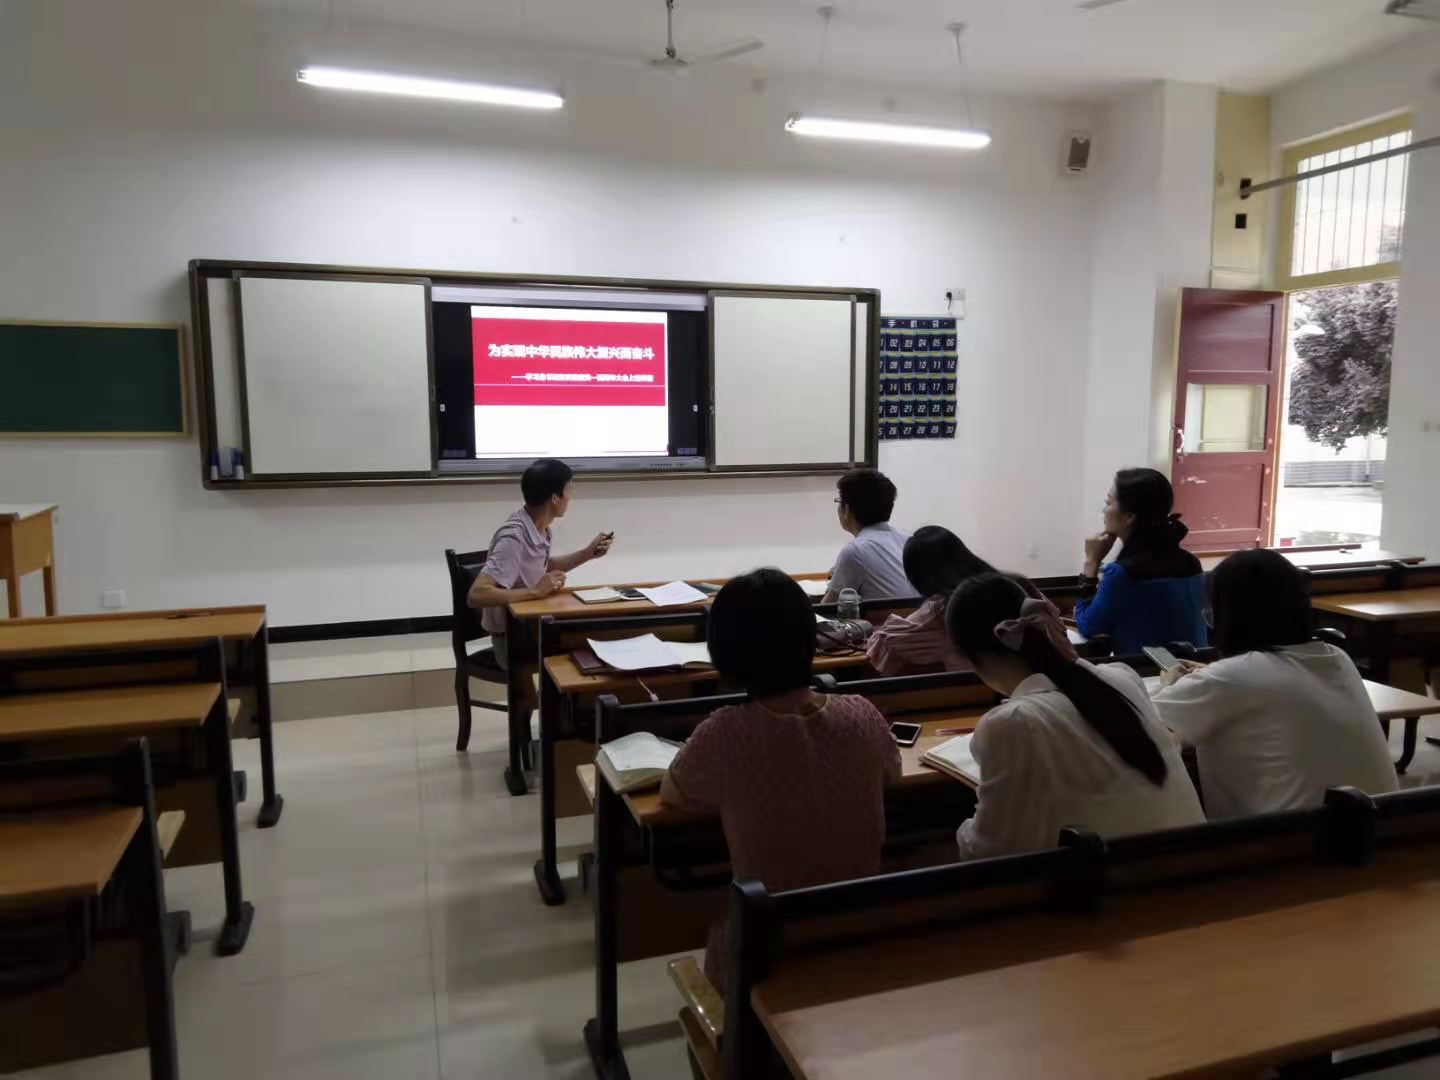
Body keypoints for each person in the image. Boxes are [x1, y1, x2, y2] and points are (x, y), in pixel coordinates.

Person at [661, 568, 901, 993]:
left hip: (765, 951)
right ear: (810, 639)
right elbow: (892, 774)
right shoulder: (862, 714)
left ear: (724, 653)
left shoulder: (724, 733)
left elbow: (674, 793)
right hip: (858, 936)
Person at [945, 573, 1203, 860]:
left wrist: (961, 831)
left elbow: (992, 852)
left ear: (971, 657)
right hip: (1197, 863)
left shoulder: (1013, 722)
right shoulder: (1121, 677)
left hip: (1128, 881)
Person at [1152, 549, 1397, 819]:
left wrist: (1170, 684)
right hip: (1382, 829)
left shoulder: (1234, 677)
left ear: (1230, 617)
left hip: (1288, 841)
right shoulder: (1337, 657)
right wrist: (1212, 676)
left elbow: (1141, 720)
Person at [466, 458, 613, 671]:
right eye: (568, 490)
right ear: (554, 498)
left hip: (532, 628)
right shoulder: (513, 538)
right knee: (587, 647)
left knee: (592, 635)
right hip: (513, 641)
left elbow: (543, 566)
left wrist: (587, 554)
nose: (570, 497)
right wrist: (534, 591)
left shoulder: (540, 528)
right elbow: (477, 594)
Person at [1073, 467, 1207, 655]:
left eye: (1108, 503)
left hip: (1146, 670)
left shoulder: (1121, 573)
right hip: (1192, 666)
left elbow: (1088, 625)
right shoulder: (1191, 563)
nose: (1104, 510)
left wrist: (1091, 561)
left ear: (1129, 516)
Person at [866, 526, 991, 675]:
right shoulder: (1001, 586)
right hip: (1004, 685)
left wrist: (871, 630)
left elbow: (888, 640)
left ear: (918, 575)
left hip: (964, 686)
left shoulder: (940, 609)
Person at [824, 467, 912, 602]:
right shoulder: (908, 539)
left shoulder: (855, 551)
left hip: (883, 616)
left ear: (846, 509)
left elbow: (829, 606)